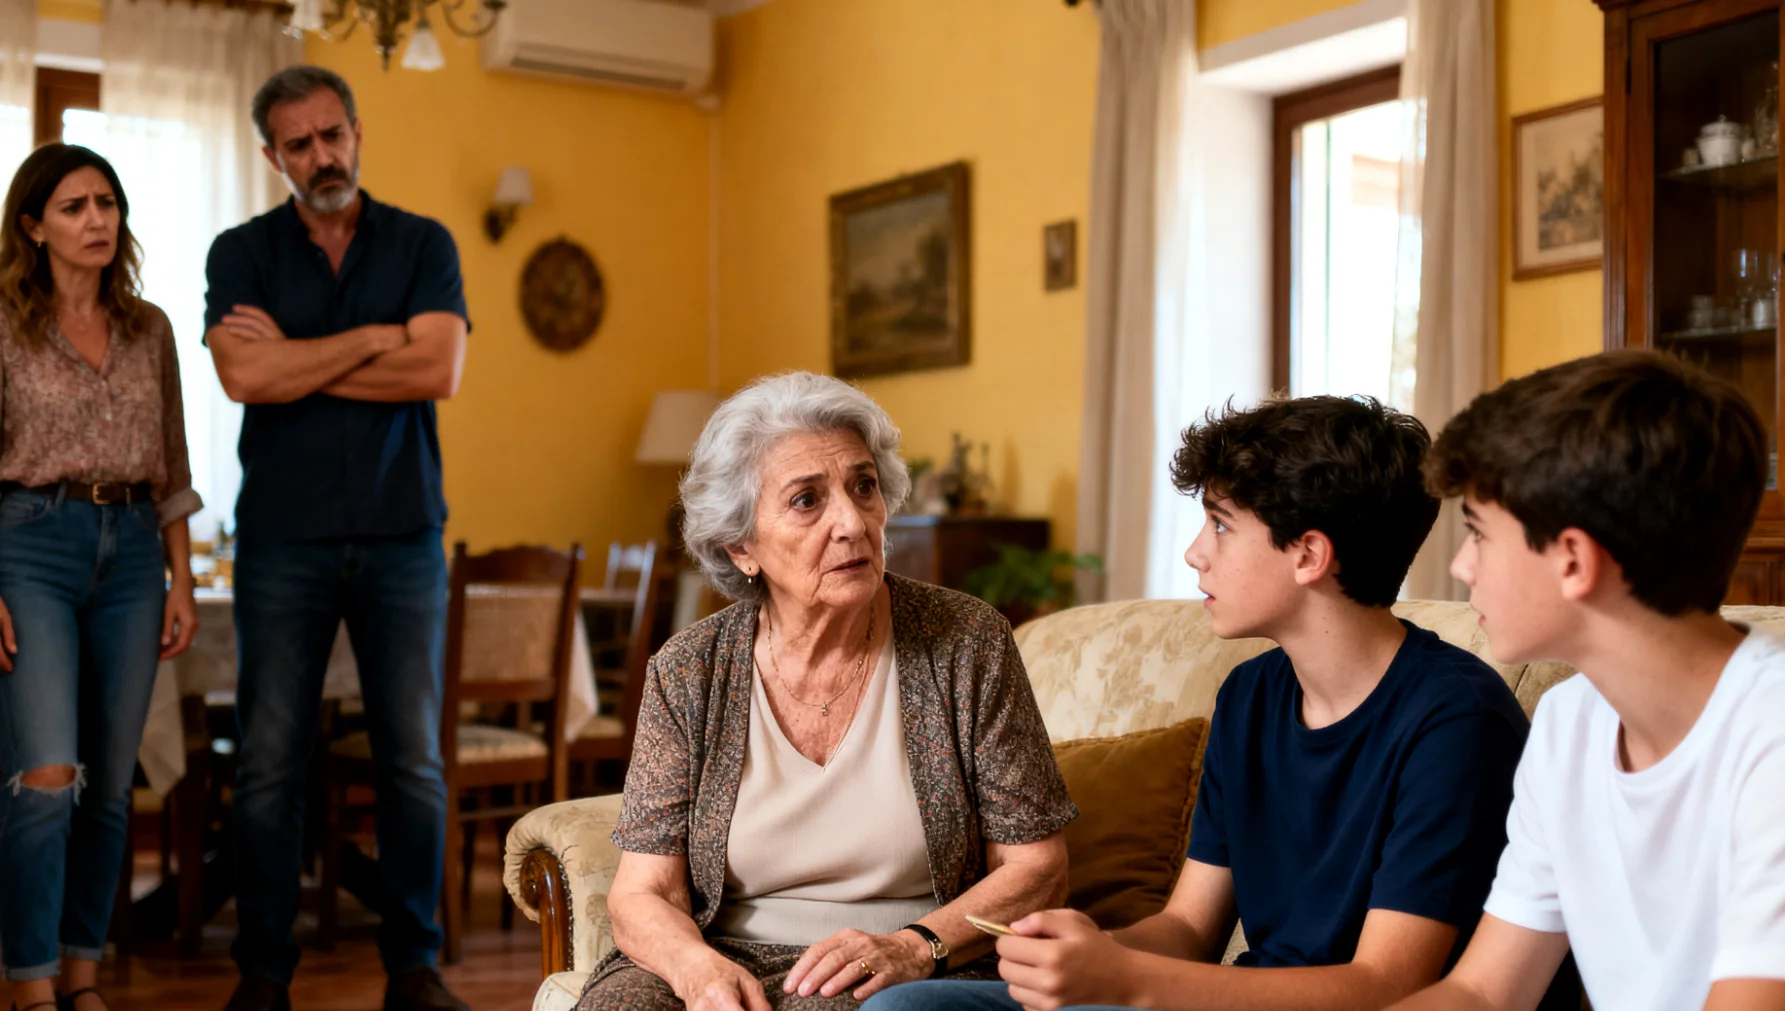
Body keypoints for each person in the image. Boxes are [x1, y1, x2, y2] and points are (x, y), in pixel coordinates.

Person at [869, 395, 1547, 1011]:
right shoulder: (1251, 695)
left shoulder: (1456, 720)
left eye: (1221, 525)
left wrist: (1125, 979)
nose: (1196, 554)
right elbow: (1189, 929)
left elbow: (1385, 985)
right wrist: (1089, 952)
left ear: (1309, 554)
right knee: (909, 1009)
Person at [578, 371, 1077, 1011]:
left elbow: (1039, 870)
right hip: (722, 950)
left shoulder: (966, 642)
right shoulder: (689, 670)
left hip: (907, 960)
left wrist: (914, 946)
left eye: (863, 487)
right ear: (741, 546)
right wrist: (696, 970)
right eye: (807, 500)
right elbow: (643, 891)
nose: (851, 522)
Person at [1387, 351, 1785, 1011]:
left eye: (1478, 534)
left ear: (1574, 560)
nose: (1462, 567)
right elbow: (1483, 991)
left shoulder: (1784, 736)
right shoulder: (1568, 721)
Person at [202, 65, 470, 1011]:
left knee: (412, 761)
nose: (322, 155)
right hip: (284, 539)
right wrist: (373, 337)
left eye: (333, 134)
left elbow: (437, 369)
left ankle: (414, 968)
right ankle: (263, 973)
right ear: (271, 155)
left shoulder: (424, 242)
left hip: (404, 535)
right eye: (299, 143)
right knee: (269, 761)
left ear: (357, 131)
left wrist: (297, 358)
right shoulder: (240, 252)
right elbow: (244, 379)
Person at [0, 143, 201, 1011]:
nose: (97, 220)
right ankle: (29, 980)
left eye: (107, 203)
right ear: (32, 226)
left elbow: (174, 465)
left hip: (135, 552)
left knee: (113, 786)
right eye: (74, 206)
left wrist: (182, 579)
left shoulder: (149, 328)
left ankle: (81, 975)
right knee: (48, 775)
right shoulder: (5, 324)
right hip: (30, 544)